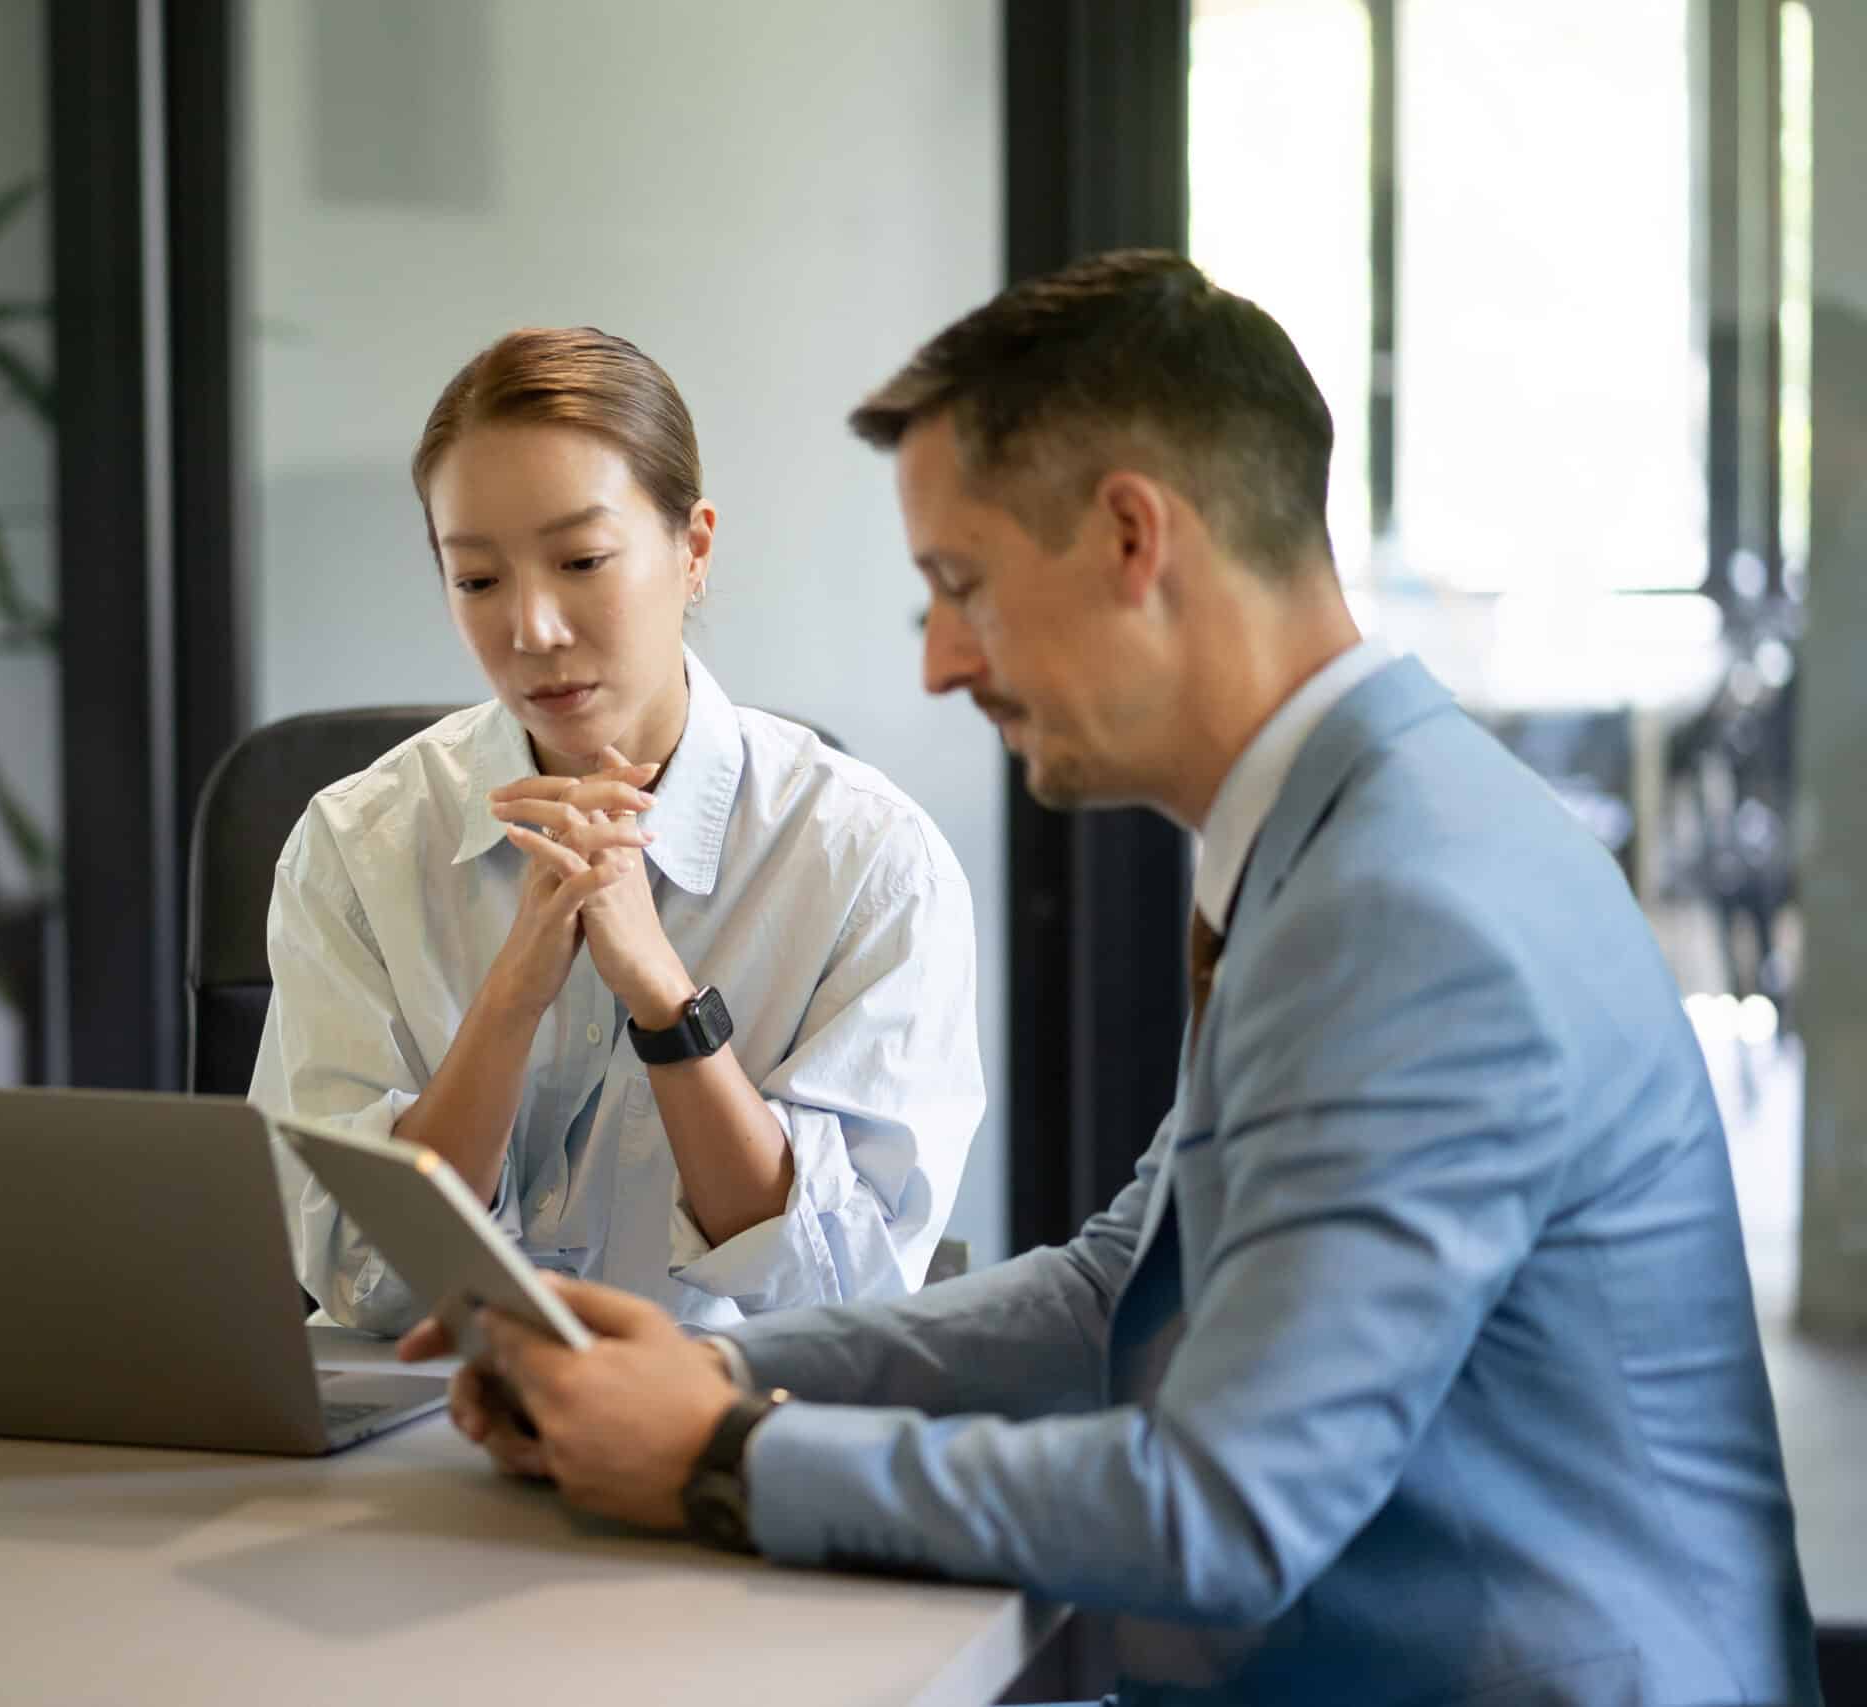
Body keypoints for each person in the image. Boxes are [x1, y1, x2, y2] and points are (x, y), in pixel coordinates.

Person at [411, 255, 1819, 1702]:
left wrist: (722, 1453)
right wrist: (730, 1369)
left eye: (962, 587)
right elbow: (1111, 1291)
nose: (944, 663)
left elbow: (1222, 1510)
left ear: (1134, 536)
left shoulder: (1407, 910)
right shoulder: (1348, 838)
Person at [252, 326, 985, 1337]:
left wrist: (665, 1001)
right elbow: (358, 1279)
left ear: (693, 550)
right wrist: (512, 996)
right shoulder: (356, 845)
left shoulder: (869, 864)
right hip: (409, 1434)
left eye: (582, 559)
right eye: (476, 580)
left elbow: (838, 1295)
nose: (532, 629)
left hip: (712, 1437)